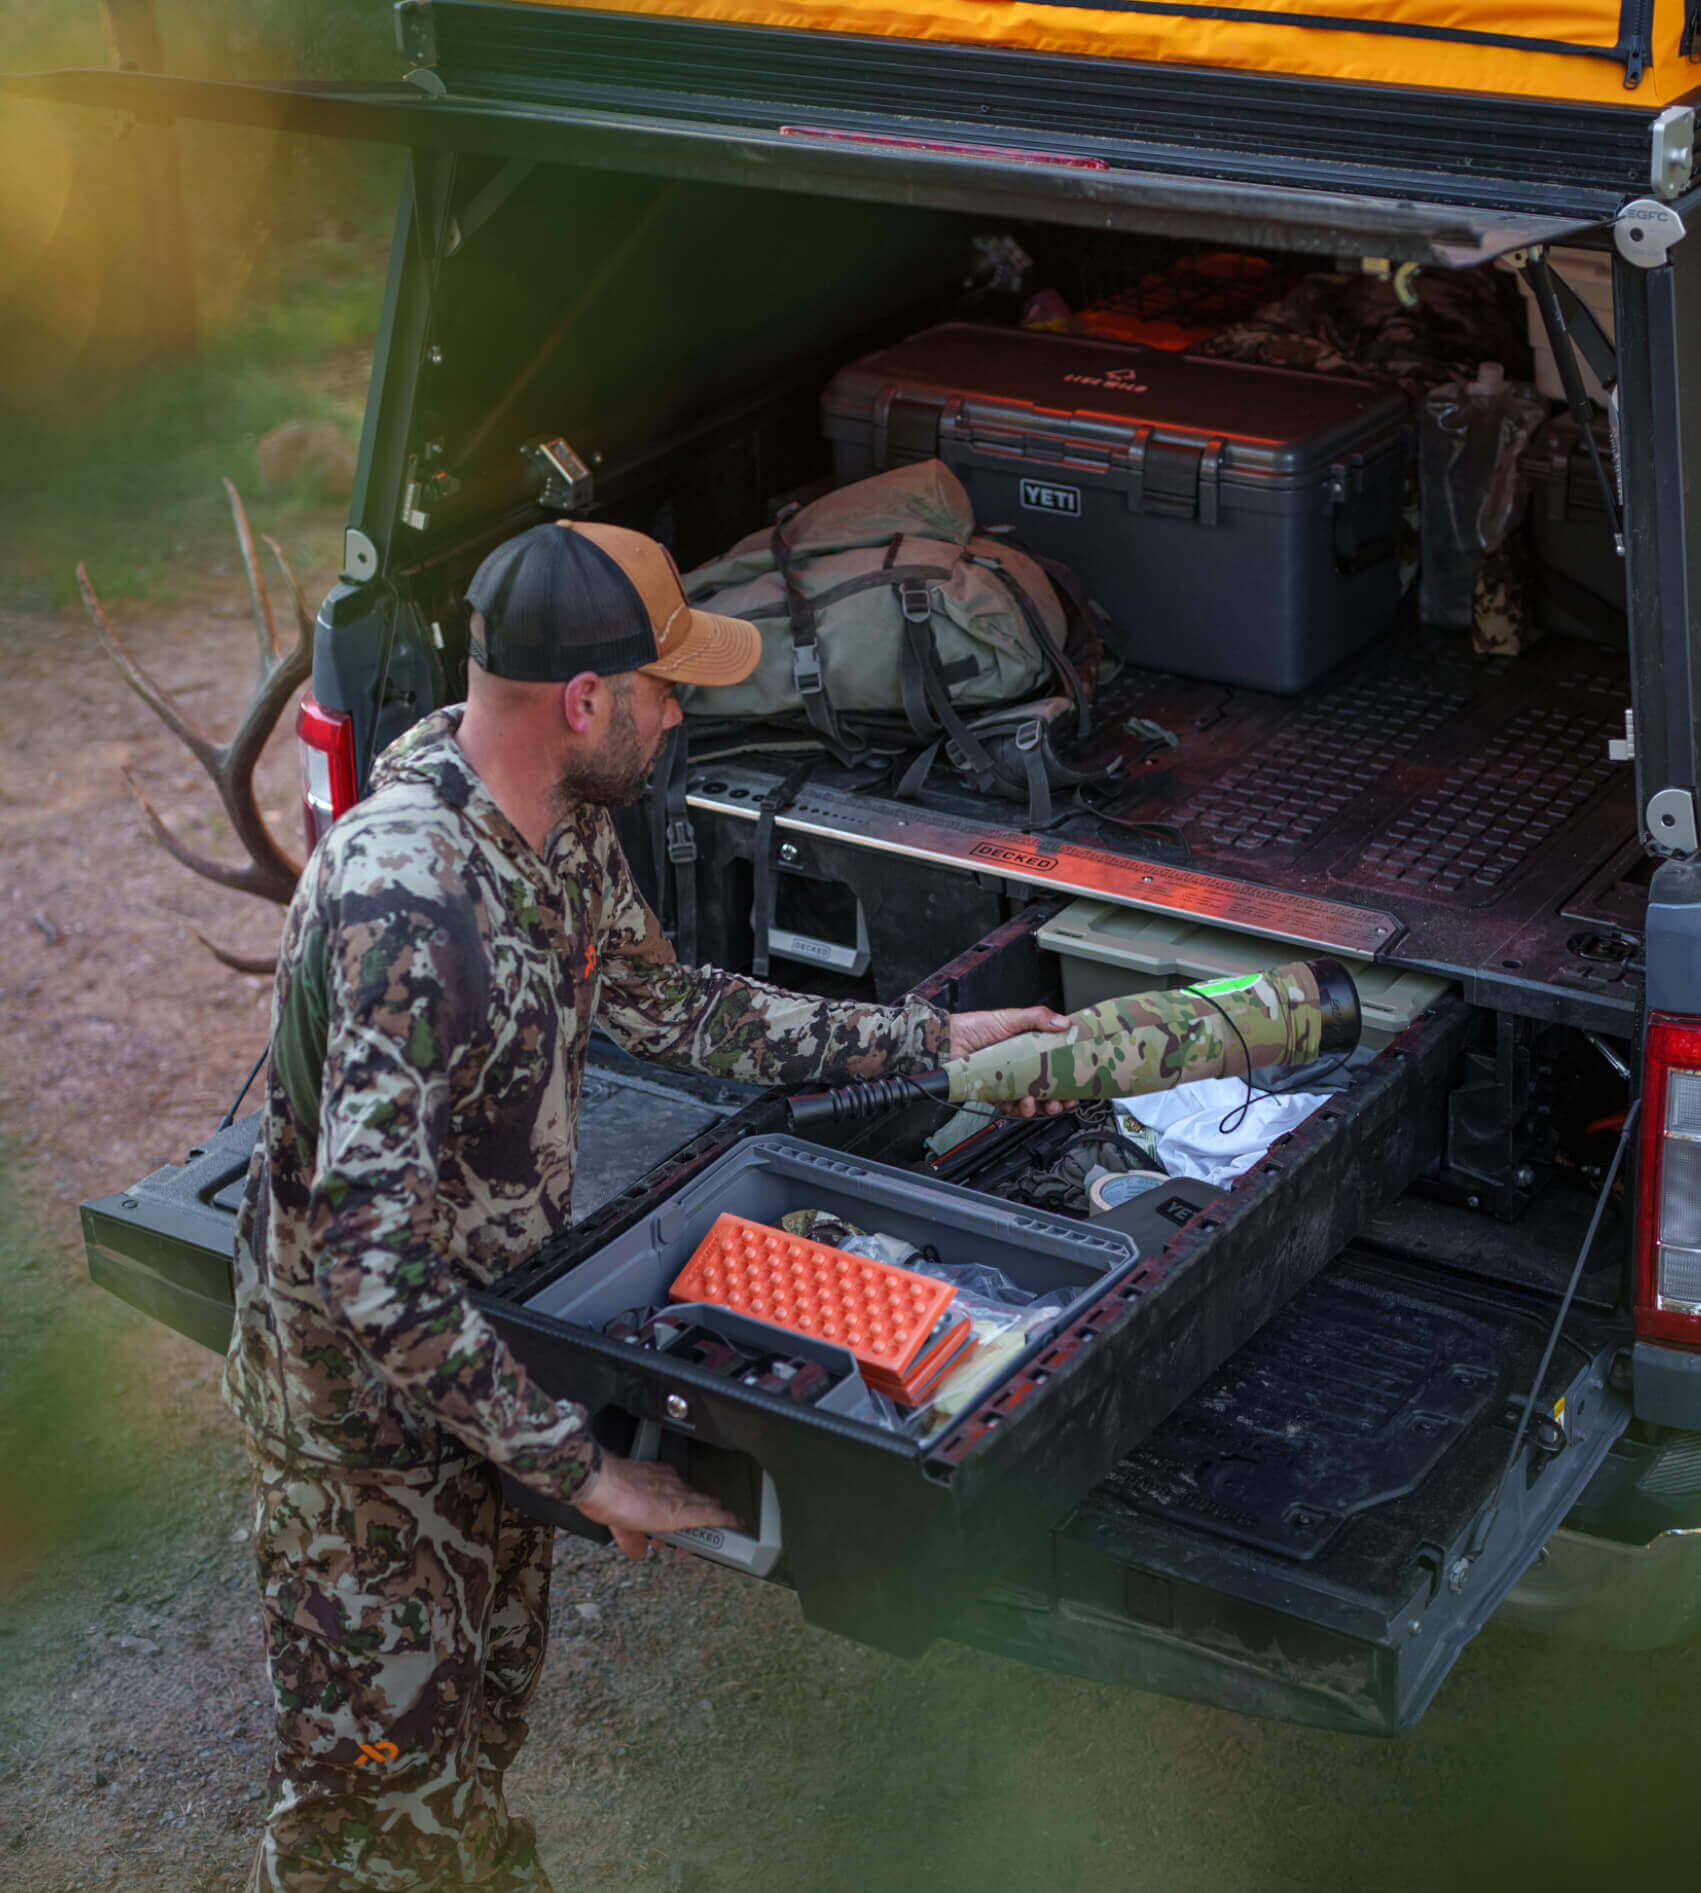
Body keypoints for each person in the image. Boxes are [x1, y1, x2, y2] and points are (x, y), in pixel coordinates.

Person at [225, 517, 1068, 1892]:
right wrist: (581, 1464)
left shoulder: (549, 820)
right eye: (667, 687)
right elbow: (366, 1263)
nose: (683, 713)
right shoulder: (409, 906)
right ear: (584, 699)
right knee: (369, 1802)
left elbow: (671, 1005)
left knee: (471, 1739)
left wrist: (932, 1042)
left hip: (487, 1366)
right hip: (366, 1440)